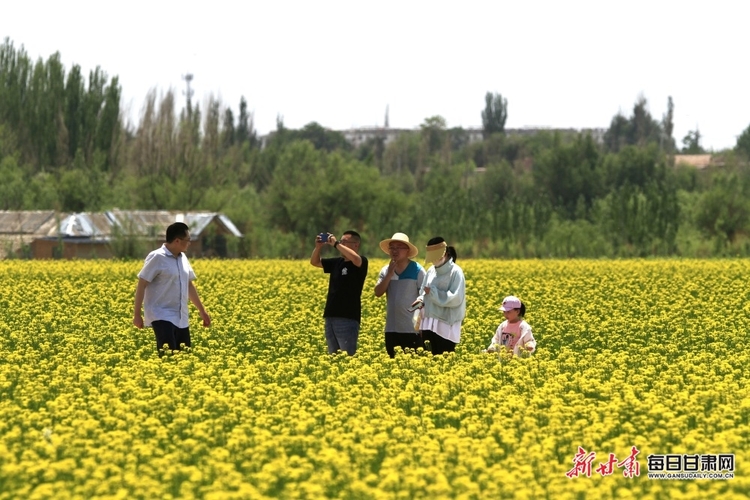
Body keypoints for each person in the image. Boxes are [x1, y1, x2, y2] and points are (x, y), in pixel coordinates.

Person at [133, 222, 211, 356]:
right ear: (177, 241)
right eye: (188, 240)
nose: (189, 243)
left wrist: (202, 310)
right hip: (161, 314)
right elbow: (142, 284)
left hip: (181, 317)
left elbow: (189, 285)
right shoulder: (157, 257)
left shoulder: (183, 258)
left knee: (184, 358)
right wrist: (137, 315)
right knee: (168, 356)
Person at [310, 230, 368, 355]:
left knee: (347, 357)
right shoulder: (337, 262)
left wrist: (336, 244)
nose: (341, 244)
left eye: (344, 242)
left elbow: (356, 259)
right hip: (330, 316)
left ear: (356, 245)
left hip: (347, 318)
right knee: (333, 357)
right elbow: (315, 262)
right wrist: (318, 247)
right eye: (340, 241)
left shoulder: (361, 262)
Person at [374, 232, 426, 358]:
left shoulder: (418, 271)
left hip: (411, 330)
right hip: (391, 329)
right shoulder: (386, 270)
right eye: (392, 247)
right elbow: (378, 292)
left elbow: (424, 299)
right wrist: (389, 275)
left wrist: (421, 325)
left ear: (407, 250)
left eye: (399, 247)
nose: (395, 251)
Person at [411, 237, 466, 355]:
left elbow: (456, 298)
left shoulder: (456, 272)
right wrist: (420, 300)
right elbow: (423, 292)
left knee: (444, 359)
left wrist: (434, 293)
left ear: (445, 254)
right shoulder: (431, 271)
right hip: (428, 322)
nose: (434, 261)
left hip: (445, 324)